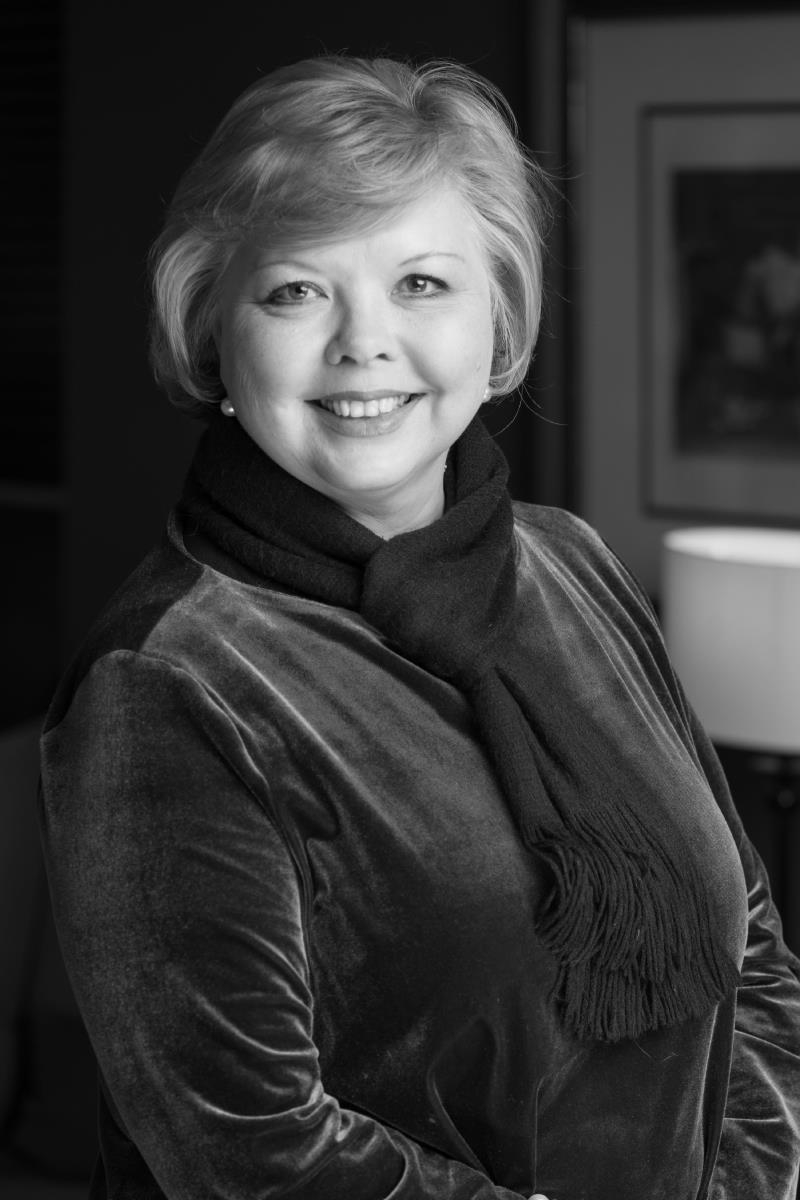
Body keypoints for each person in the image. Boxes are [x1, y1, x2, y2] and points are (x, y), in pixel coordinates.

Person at [38, 55, 800, 1200]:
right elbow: (250, 1151)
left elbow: (749, 948)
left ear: (498, 320)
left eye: (422, 283)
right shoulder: (165, 680)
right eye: (296, 291)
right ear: (211, 331)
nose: (364, 343)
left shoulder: (571, 565)